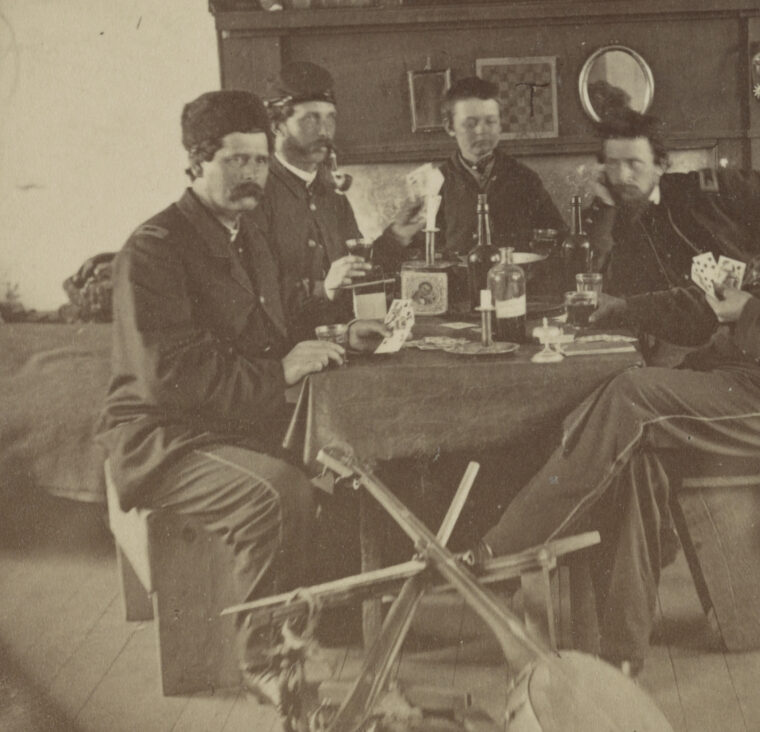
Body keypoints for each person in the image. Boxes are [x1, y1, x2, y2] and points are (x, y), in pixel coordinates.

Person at [476, 93, 760, 676]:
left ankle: (499, 553)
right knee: (638, 456)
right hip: (755, 387)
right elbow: (717, 304)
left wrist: (748, 315)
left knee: (634, 394)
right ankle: (621, 654)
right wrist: (617, 311)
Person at [96, 90, 387, 713]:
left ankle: (321, 622)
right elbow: (170, 375)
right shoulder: (153, 249)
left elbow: (274, 315)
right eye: (236, 161)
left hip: (233, 421)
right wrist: (280, 369)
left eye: (259, 160)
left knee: (354, 466)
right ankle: (262, 661)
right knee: (276, 494)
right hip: (166, 437)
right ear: (196, 165)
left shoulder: (245, 232)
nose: (253, 174)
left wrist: (337, 334)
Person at [254, 61, 422, 339]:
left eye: (330, 118)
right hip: (287, 354)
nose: (324, 131)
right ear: (277, 125)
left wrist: (395, 238)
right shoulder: (257, 197)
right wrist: (323, 288)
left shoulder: (332, 197)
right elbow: (254, 295)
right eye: (311, 119)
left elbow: (355, 273)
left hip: (342, 339)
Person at [586, 109, 760, 298]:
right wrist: (605, 208)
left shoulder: (709, 190)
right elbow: (593, 283)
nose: (623, 176)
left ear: (660, 165)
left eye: (634, 164)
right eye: (613, 164)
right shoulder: (602, 219)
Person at [431, 76, 565, 255]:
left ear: (500, 125)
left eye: (490, 121)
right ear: (450, 127)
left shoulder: (525, 179)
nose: (481, 130)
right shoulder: (435, 184)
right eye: (471, 124)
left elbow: (558, 237)